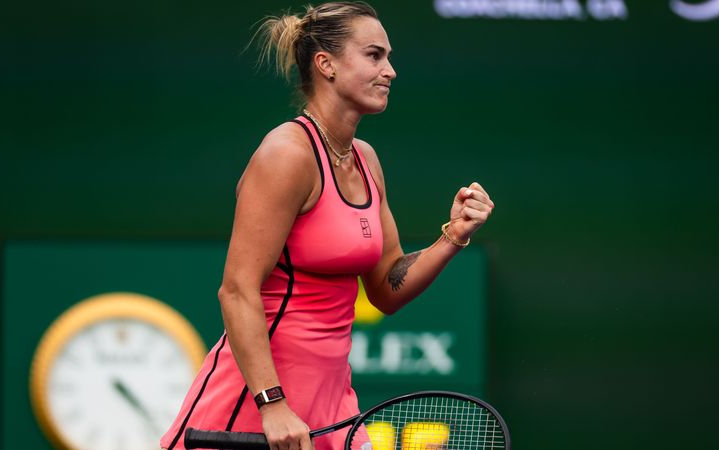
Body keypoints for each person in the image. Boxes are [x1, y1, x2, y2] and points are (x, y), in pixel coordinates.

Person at [160, 2, 494, 450]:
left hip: (334, 405)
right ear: (326, 64)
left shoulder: (366, 160)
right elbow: (237, 290)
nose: (390, 71)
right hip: (256, 403)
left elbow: (386, 288)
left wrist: (453, 236)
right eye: (374, 55)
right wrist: (272, 403)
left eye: (388, 57)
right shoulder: (286, 155)